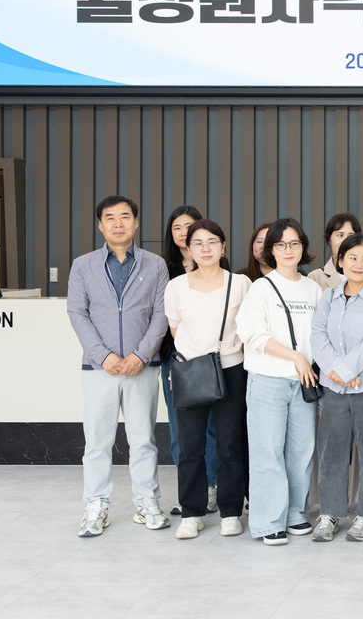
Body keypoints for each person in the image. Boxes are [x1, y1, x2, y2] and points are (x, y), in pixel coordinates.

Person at [69, 196, 171, 537]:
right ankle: (96, 505)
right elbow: (77, 312)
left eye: (125, 217)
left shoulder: (155, 265)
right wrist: (102, 355)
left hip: (143, 366)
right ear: (100, 225)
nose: (118, 223)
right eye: (110, 218)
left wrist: (141, 355)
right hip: (100, 369)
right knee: (97, 442)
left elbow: (161, 313)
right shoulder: (83, 265)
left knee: (143, 440)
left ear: (136, 223)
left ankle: (147, 502)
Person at [236, 218, 323, 546]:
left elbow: (321, 333)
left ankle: (295, 513)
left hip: (303, 383)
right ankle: (268, 521)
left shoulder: (312, 288)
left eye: (294, 243)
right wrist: (296, 357)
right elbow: (253, 334)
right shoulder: (261, 288)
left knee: (301, 450)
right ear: (271, 250)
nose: (288, 250)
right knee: (267, 451)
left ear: (303, 247)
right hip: (268, 380)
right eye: (281, 244)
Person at [164, 220, 251, 539]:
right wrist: (195, 355)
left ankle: (230, 511)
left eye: (212, 242)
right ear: (188, 248)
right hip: (190, 372)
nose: (205, 248)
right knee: (190, 447)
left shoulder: (239, 283)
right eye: (197, 243)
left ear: (223, 246)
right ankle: (192, 513)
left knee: (230, 445)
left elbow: (248, 327)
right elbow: (175, 329)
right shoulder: (176, 287)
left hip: (231, 370)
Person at [309, 233, 363, 543]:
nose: (359, 264)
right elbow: (318, 335)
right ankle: (330, 513)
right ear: (340, 261)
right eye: (352, 258)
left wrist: (346, 370)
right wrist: (339, 373)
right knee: (331, 451)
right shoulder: (329, 296)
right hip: (334, 388)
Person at [159, 205, 219, 518]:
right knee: (180, 429)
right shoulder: (163, 270)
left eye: (189, 226)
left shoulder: (216, 266)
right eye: (177, 228)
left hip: (212, 360)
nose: (183, 233)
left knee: (210, 428)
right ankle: (190, 490)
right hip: (176, 360)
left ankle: (212, 486)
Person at [309, 212, 362, 291]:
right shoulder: (315, 278)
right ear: (329, 240)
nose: (345, 240)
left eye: (350, 236)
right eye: (340, 235)